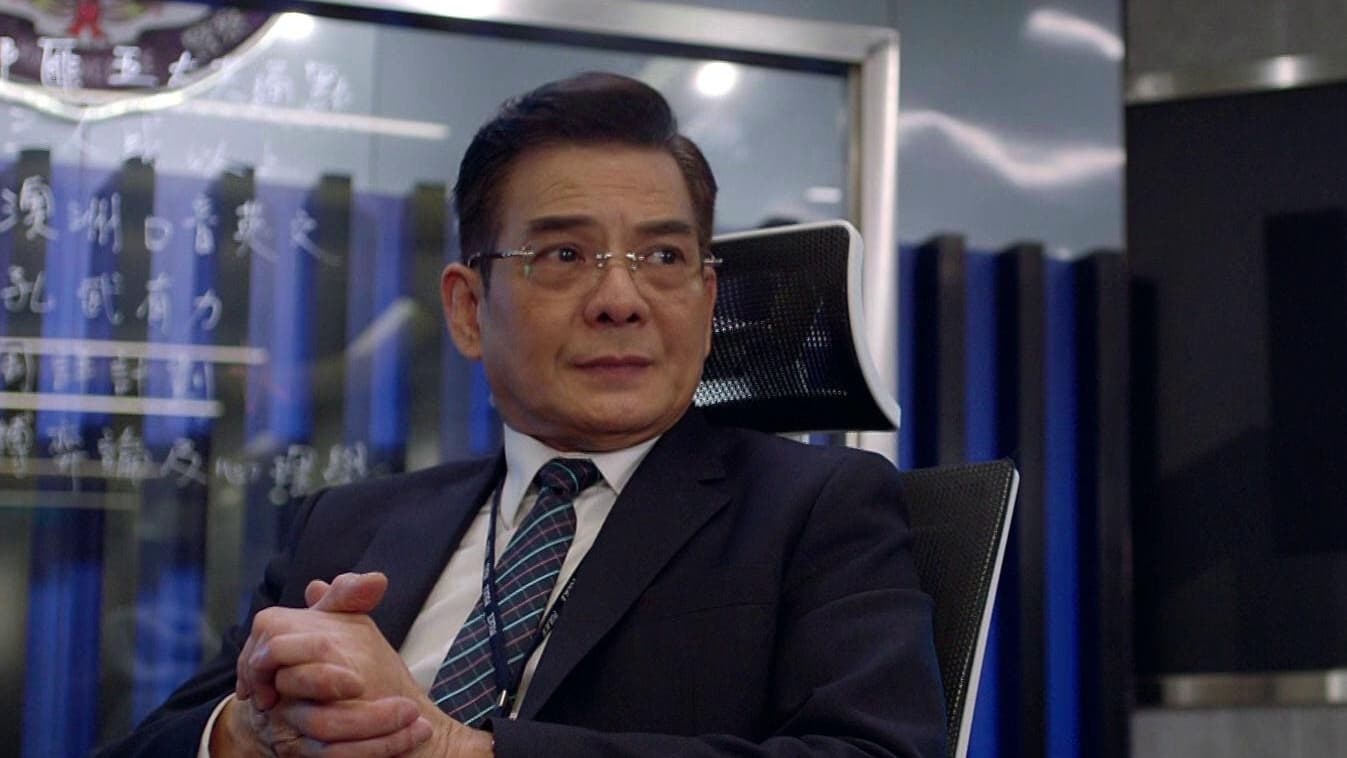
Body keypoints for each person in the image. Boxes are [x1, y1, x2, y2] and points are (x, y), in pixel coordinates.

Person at [99, 71, 945, 758]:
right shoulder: (351, 526)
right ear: (469, 310)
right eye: (564, 254)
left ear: (706, 295)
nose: (621, 299)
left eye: (663, 255)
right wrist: (247, 733)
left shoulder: (815, 508)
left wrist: (461, 751)